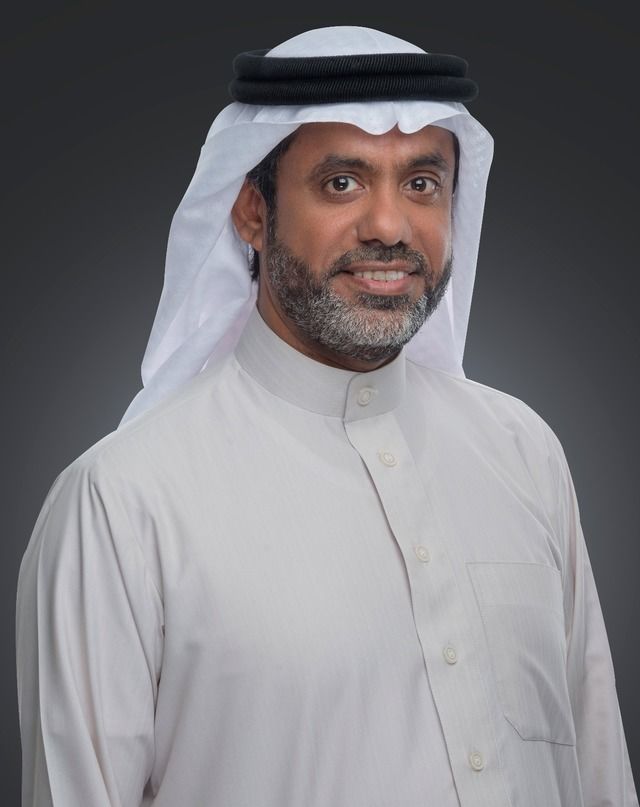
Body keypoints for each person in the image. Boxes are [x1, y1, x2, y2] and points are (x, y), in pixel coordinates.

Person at [15, 25, 637, 807]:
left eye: (422, 183)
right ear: (252, 211)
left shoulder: (524, 453)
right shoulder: (122, 503)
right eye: (342, 182)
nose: (390, 226)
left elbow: (600, 775)